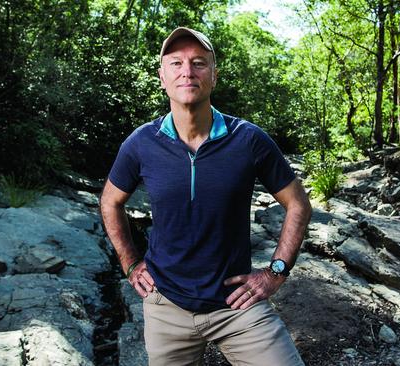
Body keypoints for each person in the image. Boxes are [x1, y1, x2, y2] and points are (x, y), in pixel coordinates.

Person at [100, 27, 311, 365]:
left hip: (236, 306)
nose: (187, 71)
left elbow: (298, 203)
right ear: (162, 76)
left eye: (199, 63)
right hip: (166, 305)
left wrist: (275, 272)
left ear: (214, 75)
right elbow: (111, 201)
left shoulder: (248, 140)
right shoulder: (141, 143)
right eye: (176, 63)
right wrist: (131, 263)